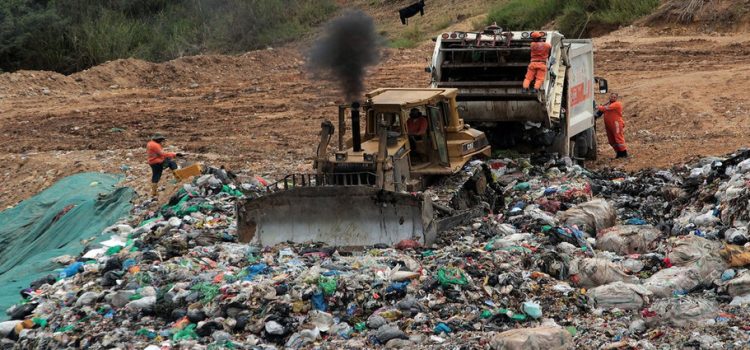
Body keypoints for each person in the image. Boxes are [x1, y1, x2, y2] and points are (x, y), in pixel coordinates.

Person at [597, 93, 628, 158]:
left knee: (618, 138)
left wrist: (598, 107)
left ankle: (624, 153)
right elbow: (603, 110)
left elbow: (605, 108)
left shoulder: (617, 104)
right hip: (609, 125)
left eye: (614, 97)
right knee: (611, 140)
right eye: (611, 97)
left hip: (616, 124)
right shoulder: (608, 104)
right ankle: (618, 153)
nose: (612, 98)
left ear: (616, 98)